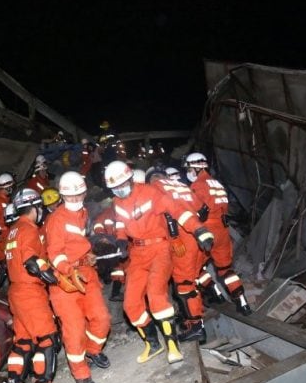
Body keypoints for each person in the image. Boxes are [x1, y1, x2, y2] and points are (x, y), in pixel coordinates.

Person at [104, 160, 214, 364]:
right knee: (131, 304)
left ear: (130, 179)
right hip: (137, 253)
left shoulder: (150, 192)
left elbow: (178, 210)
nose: (119, 191)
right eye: (114, 188)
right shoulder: (117, 202)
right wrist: (120, 240)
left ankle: (173, 346)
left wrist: (199, 230)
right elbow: (120, 224)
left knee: (156, 295)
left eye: (122, 185)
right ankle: (153, 344)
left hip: (159, 249)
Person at [3, 188, 74, 383]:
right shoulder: (29, 229)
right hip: (30, 292)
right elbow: (32, 261)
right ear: (34, 208)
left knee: (23, 343)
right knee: (48, 340)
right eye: (40, 208)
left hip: (15, 292)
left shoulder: (13, 231)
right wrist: (54, 277)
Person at [44, 171, 112, 383]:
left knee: (101, 318)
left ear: (83, 192)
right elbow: (55, 252)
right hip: (65, 281)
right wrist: (68, 269)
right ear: (62, 196)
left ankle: (93, 350)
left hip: (86, 272)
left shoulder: (83, 213)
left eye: (78, 195)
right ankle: (80, 372)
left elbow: (79, 242)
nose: (74, 199)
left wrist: (89, 254)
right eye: (70, 196)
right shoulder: (56, 219)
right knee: (74, 329)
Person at [184, 152, 251, 315]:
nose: (188, 172)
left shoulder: (197, 186)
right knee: (226, 269)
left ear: (195, 167)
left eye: (189, 168)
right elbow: (225, 208)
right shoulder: (217, 184)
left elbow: (197, 212)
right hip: (222, 230)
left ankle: (214, 293)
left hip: (206, 231)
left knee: (193, 268)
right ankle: (243, 303)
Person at [146, 169, 208, 342]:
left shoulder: (156, 187)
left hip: (181, 238)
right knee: (192, 280)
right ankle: (191, 319)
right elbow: (203, 209)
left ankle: (196, 326)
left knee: (184, 284)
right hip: (197, 235)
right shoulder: (181, 186)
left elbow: (168, 213)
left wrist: (174, 237)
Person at [91, 198, 126, 302]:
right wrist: (103, 238)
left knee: (119, 267)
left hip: (118, 243)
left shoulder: (123, 212)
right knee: (115, 265)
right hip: (107, 245)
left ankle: (114, 289)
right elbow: (98, 226)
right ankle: (107, 277)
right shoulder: (108, 213)